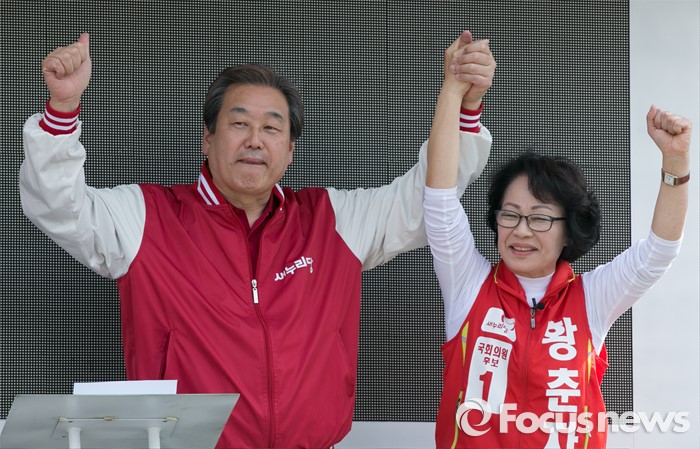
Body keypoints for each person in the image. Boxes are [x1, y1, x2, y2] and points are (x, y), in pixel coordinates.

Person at [19, 32, 495, 448]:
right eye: (239, 123)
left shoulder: (332, 221)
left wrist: (462, 104)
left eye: (271, 128)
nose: (255, 140)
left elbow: (428, 200)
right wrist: (62, 111)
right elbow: (59, 206)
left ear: (289, 151)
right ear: (207, 139)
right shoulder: (147, 216)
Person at [424, 36, 692, 449]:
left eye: (540, 218)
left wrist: (675, 162)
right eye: (510, 214)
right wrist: (452, 90)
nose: (521, 230)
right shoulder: (468, 284)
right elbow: (440, 202)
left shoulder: (592, 298)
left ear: (569, 230)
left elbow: (658, 253)